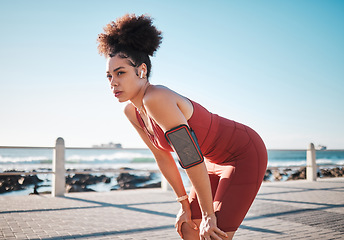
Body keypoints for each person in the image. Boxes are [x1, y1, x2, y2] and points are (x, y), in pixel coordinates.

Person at [97, 14, 268, 240]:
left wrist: (208, 215)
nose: (113, 82)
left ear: (142, 70)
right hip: (211, 162)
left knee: (214, 234)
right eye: (109, 76)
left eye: (120, 73)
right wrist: (183, 204)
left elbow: (189, 156)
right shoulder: (132, 111)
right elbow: (162, 157)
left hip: (242, 153)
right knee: (188, 228)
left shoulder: (156, 99)